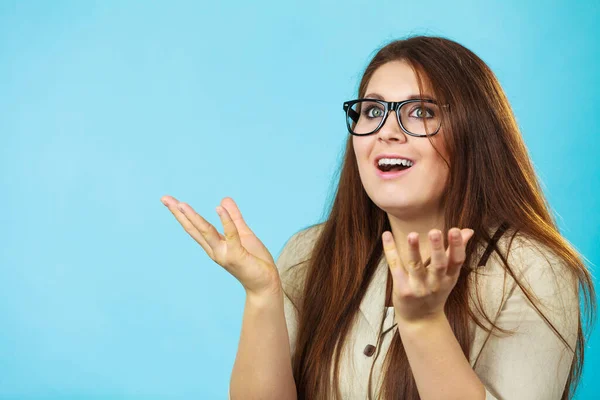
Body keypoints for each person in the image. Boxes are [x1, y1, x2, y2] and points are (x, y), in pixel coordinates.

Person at [161, 35, 596, 400]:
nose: (387, 131)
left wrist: (424, 324)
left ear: (474, 134)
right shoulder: (308, 254)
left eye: (421, 112)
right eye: (372, 111)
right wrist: (262, 295)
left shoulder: (533, 271)